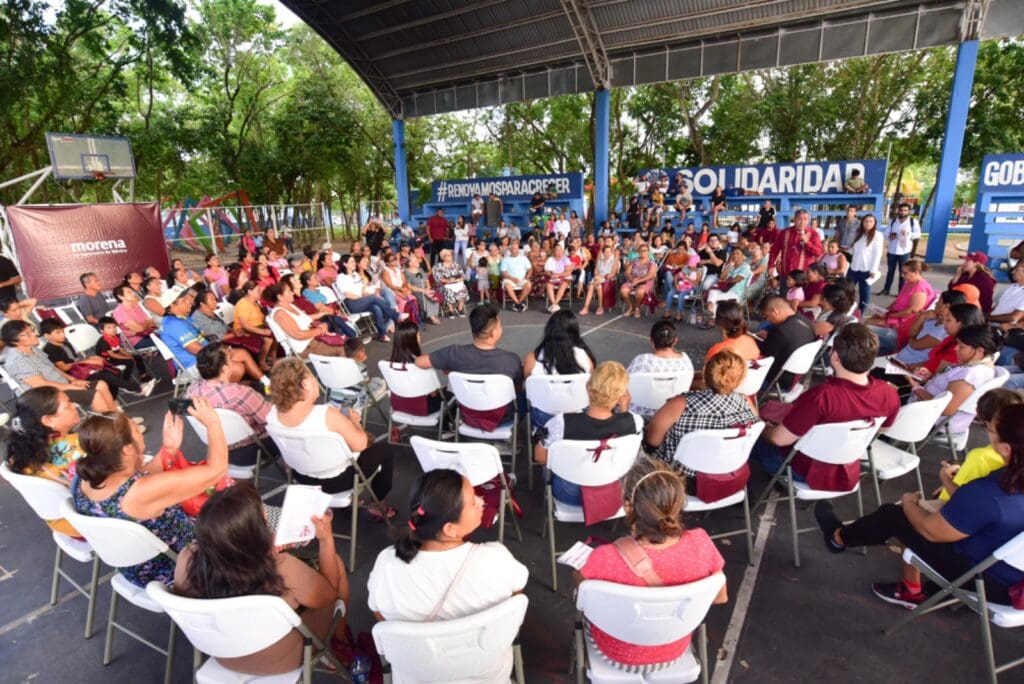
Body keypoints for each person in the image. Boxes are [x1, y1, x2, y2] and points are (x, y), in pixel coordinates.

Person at [814, 401, 1024, 608]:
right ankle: (913, 586)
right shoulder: (1009, 480)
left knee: (893, 515)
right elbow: (983, 512)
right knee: (921, 513)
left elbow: (930, 530)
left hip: (986, 580)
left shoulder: (991, 493)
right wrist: (949, 485)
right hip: (1011, 574)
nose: (988, 435)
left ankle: (838, 538)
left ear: (1006, 448)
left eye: (990, 430)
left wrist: (909, 503)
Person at [367, 469, 527, 681]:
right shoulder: (496, 559)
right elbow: (516, 598)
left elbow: (381, 617)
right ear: (449, 529)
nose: (481, 501)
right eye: (472, 501)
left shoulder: (387, 564)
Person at [175, 482, 350, 675]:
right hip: (281, 659)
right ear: (254, 532)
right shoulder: (280, 568)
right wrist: (326, 540)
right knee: (337, 566)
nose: (267, 516)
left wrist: (264, 550)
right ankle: (339, 645)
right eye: (262, 514)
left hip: (222, 654)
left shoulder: (187, 560)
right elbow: (329, 593)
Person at [576, 457, 727, 671]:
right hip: (673, 650)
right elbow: (721, 597)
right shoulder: (701, 543)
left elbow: (582, 598)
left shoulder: (605, 558)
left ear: (628, 506)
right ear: (677, 503)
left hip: (616, 653)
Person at [71, 399, 226, 587]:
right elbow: (216, 470)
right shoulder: (140, 492)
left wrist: (168, 450)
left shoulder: (84, 479)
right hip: (184, 566)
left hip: (136, 567)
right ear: (127, 449)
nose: (139, 428)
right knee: (244, 511)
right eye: (135, 429)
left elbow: (138, 481)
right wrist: (213, 424)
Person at [753, 323, 901, 491]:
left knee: (751, 440)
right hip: (846, 469)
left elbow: (778, 439)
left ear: (835, 356)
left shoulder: (821, 397)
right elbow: (883, 429)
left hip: (802, 469)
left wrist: (760, 427)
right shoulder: (889, 393)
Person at [267, 358, 394, 518]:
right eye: (312, 376)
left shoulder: (272, 416)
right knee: (384, 450)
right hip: (338, 480)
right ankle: (378, 504)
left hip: (302, 478)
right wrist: (355, 423)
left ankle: (347, 505)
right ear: (305, 384)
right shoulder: (326, 415)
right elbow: (360, 444)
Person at [533, 361, 643, 505]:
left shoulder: (562, 423)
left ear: (587, 387)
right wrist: (624, 410)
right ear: (622, 395)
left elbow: (539, 457)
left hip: (569, 493)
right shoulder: (635, 422)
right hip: (613, 492)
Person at [647, 350, 758, 474]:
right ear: (740, 379)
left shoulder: (681, 404)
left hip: (681, 477)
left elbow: (652, 440)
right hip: (728, 473)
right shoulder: (746, 402)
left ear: (705, 373)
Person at [2, 387, 86, 536]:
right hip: (87, 525)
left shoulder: (24, 449)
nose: (75, 406)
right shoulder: (72, 450)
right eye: (68, 405)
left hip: (61, 521)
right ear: (48, 420)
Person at [416, 303, 524, 417]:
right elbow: (516, 391)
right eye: (500, 326)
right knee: (526, 396)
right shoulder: (511, 360)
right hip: (500, 417)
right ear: (493, 333)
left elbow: (419, 362)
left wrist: (451, 369)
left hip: (467, 414)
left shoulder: (453, 353)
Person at [2, 320, 118, 413]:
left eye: (32, 330)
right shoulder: (17, 360)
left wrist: (73, 380)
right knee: (95, 394)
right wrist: (70, 386)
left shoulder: (32, 348)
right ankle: (110, 430)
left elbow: (52, 367)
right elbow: (40, 384)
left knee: (102, 384)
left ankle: (116, 420)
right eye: (28, 334)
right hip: (46, 394)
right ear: (15, 341)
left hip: (61, 384)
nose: (35, 334)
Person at [188, 343, 274, 466]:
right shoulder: (240, 393)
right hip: (254, 450)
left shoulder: (191, 392)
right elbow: (269, 419)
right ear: (225, 369)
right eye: (231, 360)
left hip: (217, 453)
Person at [935, 388, 1023, 504]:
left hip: (953, 510)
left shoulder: (980, 457)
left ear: (986, 423)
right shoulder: (1018, 451)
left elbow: (961, 497)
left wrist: (945, 479)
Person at [160, 291, 268, 385]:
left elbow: (203, 336)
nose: (189, 302)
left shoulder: (183, 318)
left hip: (206, 355)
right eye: (184, 301)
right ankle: (225, 392)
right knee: (238, 368)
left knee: (242, 353)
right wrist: (221, 353)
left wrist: (222, 348)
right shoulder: (174, 324)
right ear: (172, 306)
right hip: (197, 363)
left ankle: (266, 383)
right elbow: (196, 350)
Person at [865, 260, 936, 354]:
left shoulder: (920, 288)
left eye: (905, 273)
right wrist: (885, 311)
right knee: (870, 321)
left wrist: (888, 316)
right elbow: (897, 301)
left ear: (916, 273)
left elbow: (911, 311)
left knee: (867, 326)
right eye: (902, 272)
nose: (902, 276)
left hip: (903, 322)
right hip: (896, 315)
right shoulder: (910, 282)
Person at [626, 321, 694, 419]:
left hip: (638, 414)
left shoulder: (642, 361)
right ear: (675, 341)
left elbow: (625, 382)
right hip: (671, 412)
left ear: (651, 340)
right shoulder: (686, 362)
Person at [266, 282, 345, 358]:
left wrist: (320, 323)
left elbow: (305, 319)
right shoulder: (279, 313)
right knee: (344, 349)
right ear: (280, 297)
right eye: (289, 291)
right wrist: (320, 329)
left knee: (346, 342)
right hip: (305, 347)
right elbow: (299, 335)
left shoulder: (290, 306)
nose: (292, 293)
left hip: (313, 340)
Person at [755, 296, 818, 392]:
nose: (768, 320)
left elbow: (763, 353)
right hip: (795, 377)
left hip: (777, 382)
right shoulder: (807, 321)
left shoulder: (780, 331)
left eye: (767, 316)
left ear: (775, 312)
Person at [335, 253, 400, 342]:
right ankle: (395, 315)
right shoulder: (341, 277)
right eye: (351, 262)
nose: (354, 263)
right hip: (351, 303)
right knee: (373, 298)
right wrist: (364, 297)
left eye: (354, 261)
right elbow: (347, 295)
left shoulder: (355, 275)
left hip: (361, 301)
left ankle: (382, 334)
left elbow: (362, 290)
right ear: (345, 264)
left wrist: (366, 295)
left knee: (376, 307)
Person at [892, 290, 967, 366]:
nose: (936, 303)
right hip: (899, 359)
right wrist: (922, 317)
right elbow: (912, 333)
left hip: (908, 366)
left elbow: (916, 345)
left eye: (939, 301)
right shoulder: (933, 318)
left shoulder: (944, 330)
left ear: (946, 306)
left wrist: (911, 339)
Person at [768, 210, 823, 289]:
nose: (802, 222)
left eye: (805, 219)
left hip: (803, 277)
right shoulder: (785, 232)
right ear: (794, 219)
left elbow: (818, 253)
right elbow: (774, 250)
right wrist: (770, 265)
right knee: (785, 299)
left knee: (800, 300)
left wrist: (807, 242)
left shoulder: (813, 234)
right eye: (799, 219)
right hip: (786, 275)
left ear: (808, 220)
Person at [879, 203, 921, 296]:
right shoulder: (893, 221)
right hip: (892, 250)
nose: (903, 212)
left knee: (904, 272)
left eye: (905, 210)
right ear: (898, 210)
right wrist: (890, 235)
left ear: (909, 211)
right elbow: (885, 233)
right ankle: (886, 289)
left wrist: (908, 235)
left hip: (904, 251)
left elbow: (918, 234)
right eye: (901, 210)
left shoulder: (912, 222)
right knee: (890, 271)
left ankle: (901, 292)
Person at [233, 282, 275, 370]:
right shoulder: (243, 304)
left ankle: (272, 357)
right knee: (267, 340)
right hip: (244, 330)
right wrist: (262, 331)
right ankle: (262, 362)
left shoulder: (256, 303)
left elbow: (261, 319)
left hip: (257, 327)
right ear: (249, 292)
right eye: (258, 290)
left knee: (276, 333)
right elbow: (245, 325)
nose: (260, 292)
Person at [704, 247, 751, 321]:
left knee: (716, 299)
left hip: (736, 292)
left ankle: (712, 318)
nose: (735, 255)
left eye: (738, 254)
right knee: (713, 291)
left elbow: (737, 279)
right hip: (726, 289)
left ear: (743, 256)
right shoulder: (731, 266)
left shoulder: (746, 267)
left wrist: (726, 281)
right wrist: (730, 266)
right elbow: (722, 277)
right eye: (733, 254)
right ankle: (711, 309)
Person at [111, 284, 158, 349]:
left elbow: (152, 322)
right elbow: (140, 328)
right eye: (129, 292)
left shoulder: (136, 306)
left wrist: (145, 326)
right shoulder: (119, 312)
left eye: (132, 291)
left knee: (169, 337)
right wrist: (147, 324)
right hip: (136, 340)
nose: (133, 294)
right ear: (121, 297)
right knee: (165, 342)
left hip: (148, 334)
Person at [580, 242, 619, 316]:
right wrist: (597, 277)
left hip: (608, 279)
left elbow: (613, 273)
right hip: (598, 278)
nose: (607, 253)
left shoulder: (614, 261)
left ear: (611, 252)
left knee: (598, 286)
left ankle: (600, 307)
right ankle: (585, 307)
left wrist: (601, 277)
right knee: (592, 286)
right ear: (603, 252)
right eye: (605, 251)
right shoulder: (600, 261)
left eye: (609, 251)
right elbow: (595, 271)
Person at [619, 243, 657, 319]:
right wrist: (632, 279)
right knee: (623, 290)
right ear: (638, 252)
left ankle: (637, 308)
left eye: (645, 251)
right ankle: (630, 307)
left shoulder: (651, 262)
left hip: (645, 281)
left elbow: (650, 275)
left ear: (648, 252)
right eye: (641, 251)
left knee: (639, 292)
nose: (643, 252)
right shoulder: (634, 260)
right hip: (633, 280)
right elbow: (627, 272)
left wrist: (638, 281)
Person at [403, 253, 441, 325]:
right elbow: (409, 286)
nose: (418, 261)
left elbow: (426, 280)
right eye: (415, 261)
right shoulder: (407, 272)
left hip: (424, 288)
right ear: (410, 263)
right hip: (415, 290)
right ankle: (432, 317)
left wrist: (428, 287)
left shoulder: (420, 269)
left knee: (434, 294)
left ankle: (432, 314)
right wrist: (423, 290)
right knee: (424, 295)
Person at [500, 240, 533, 312]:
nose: (515, 250)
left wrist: (528, 276)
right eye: (513, 249)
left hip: (522, 278)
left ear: (518, 249)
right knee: (507, 286)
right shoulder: (505, 259)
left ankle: (517, 303)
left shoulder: (524, 258)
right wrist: (511, 278)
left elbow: (530, 269)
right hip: (509, 279)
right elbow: (503, 273)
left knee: (529, 284)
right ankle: (518, 303)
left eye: (516, 249)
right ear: (510, 250)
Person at [544, 243, 573, 313]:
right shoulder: (550, 259)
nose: (559, 251)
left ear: (562, 251)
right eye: (557, 250)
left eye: (560, 250)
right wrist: (550, 275)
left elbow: (568, 272)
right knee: (548, 284)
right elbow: (546, 271)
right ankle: (555, 304)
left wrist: (558, 275)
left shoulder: (566, 259)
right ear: (554, 251)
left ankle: (554, 304)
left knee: (563, 285)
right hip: (553, 278)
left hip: (563, 278)